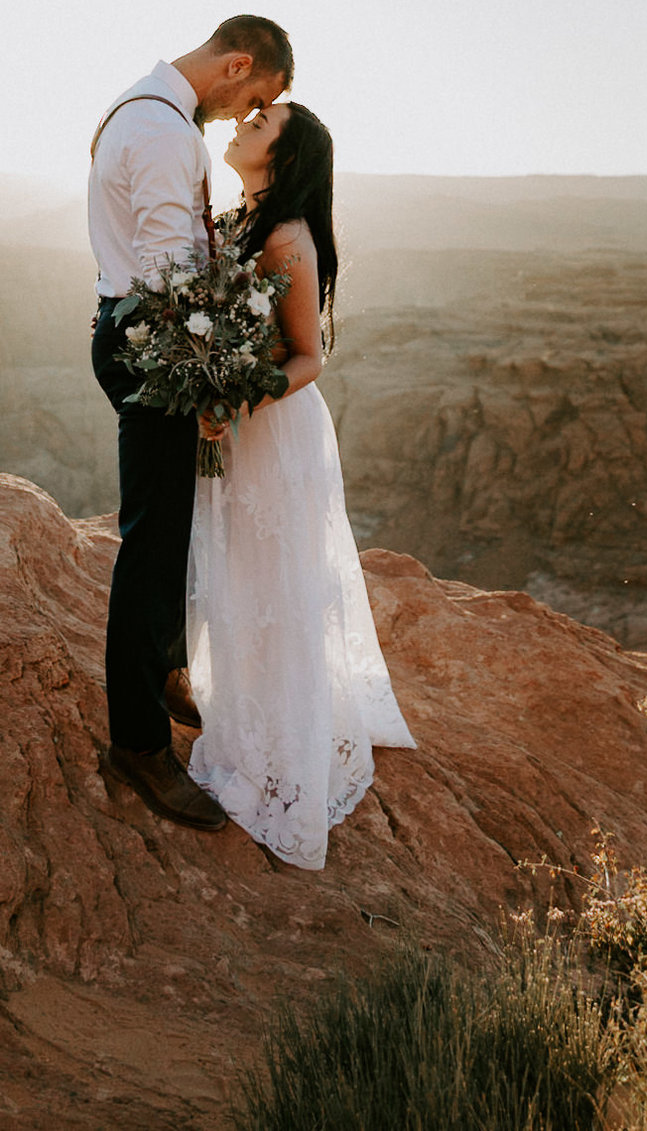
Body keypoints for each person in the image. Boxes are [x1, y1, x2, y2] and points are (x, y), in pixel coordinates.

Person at [183, 100, 415, 867]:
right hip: (242, 429)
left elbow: (310, 355)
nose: (243, 124)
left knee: (278, 582)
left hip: (275, 429)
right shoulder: (243, 220)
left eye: (262, 122)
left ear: (283, 160)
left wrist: (235, 396)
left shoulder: (286, 238)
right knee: (244, 577)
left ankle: (284, 745)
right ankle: (250, 716)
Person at [88, 15, 291, 829]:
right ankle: (137, 741)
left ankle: (166, 666)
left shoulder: (141, 107)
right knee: (154, 538)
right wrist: (208, 378)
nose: (246, 113)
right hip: (152, 350)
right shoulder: (167, 134)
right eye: (257, 95)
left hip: (128, 328)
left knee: (176, 522)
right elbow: (174, 273)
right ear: (237, 62)